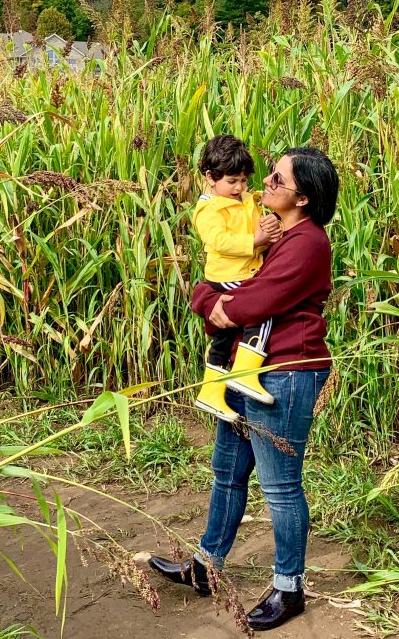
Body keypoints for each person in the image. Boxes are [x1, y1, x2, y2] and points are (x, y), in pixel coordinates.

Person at [150, 147, 340, 632]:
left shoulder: (307, 242)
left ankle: (289, 587)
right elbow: (219, 281)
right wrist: (207, 297)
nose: (265, 183)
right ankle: (205, 567)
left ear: (303, 196)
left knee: (280, 487)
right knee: (227, 474)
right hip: (246, 368)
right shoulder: (274, 233)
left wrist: (216, 305)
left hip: (286, 373)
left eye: (277, 178)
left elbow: (256, 298)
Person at [191, 135, 282, 422]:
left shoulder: (244, 200)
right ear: (210, 177)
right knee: (262, 310)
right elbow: (219, 241)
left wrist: (268, 227)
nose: (239, 187)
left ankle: (211, 392)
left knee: (224, 336)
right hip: (230, 276)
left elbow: (259, 227)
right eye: (232, 181)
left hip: (243, 272)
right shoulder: (209, 209)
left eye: (243, 180)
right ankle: (245, 373)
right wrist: (255, 240)